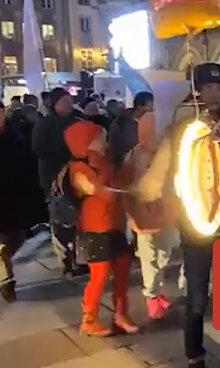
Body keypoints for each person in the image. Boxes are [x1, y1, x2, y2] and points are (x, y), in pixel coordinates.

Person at [133, 63, 220, 368]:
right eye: (208, 87)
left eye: (219, 88)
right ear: (197, 90)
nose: (214, 93)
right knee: (197, 296)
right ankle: (195, 356)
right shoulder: (183, 129)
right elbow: (159, 171)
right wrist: (146, 190)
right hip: (196, 226)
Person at [63, 120, 139, 336]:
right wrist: (120, 188)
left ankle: (121, 315)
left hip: (115, 224)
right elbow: (99, 191)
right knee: (100, 274)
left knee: (123, 270)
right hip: (95, 228)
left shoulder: (108, 161)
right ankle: (89, 319)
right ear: (86, 141)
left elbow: (122, 182)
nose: (104, 140)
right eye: (99, 137)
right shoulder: (78, 168)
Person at [128, 111, 179, 320]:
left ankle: (157, 289)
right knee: (149, 256)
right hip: (145, 216)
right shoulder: (134, 155)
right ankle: (151, 294)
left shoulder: (169, 151)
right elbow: (127, 184)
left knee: (164, 254)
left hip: (167, 211)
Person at [32, 88, 84, 277]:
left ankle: (78, 257)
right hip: (54, 178)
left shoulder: (76, 120)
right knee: (60, 218)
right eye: (64, 101)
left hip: (76, 176)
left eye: (70, 101)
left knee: (77, 218)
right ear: (54, 104)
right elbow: (38, 148)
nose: (68, 104)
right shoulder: (44, 124)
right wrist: (65, 153)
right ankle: (66, 260)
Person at [0, 102, 35, 302]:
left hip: (13, 196)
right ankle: (7, 280)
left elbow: (25, 161)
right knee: (3, 243)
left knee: (15, 238)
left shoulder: (14, 134)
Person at [108, 91, 154, 166]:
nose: (153, 109)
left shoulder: (143, 122)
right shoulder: (122, 123)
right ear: (140, 107)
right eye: (150, 106)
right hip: (124, 165)